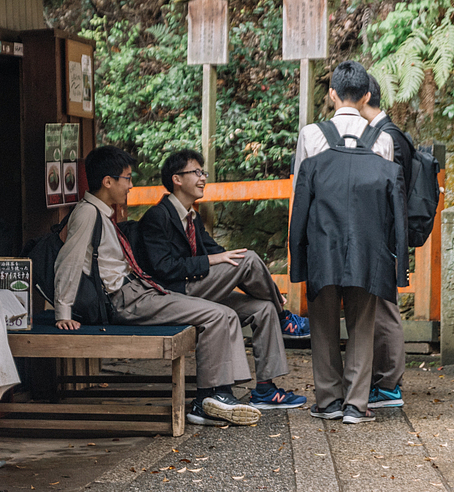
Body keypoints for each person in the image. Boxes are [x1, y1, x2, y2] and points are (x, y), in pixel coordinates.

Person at [53, 145, 262, 427]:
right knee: (217, 314)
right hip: (125, 299)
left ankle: (218, 394)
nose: (130, 185)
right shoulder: (88, 213)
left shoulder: (102, 212)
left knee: (222, 313)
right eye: (127, 178)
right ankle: (208, 399)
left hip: (140, 290)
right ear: (108, 181)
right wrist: (62, 312)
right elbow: (68, 261)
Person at [138, 148, 308, 409]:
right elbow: (163, 269)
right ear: (177, 179)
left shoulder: (191, 217)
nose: (203, 177)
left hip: (196, 287)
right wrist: (210, 261)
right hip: (174, 294)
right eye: (196, 172)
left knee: (263, 308)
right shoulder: (157, 217)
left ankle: (265, 389)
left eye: (202, 172)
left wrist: (263, 287)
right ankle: (285, 317)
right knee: (248, 258)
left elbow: (220, 253)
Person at [290, 61, 406, 425]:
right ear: (367, 95)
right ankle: (356, 404)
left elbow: (300, 195)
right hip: (368, 246)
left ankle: (328, 400)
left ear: (331, 94)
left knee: (323, 324)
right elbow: (390, 205)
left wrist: (298, 253)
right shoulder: (382, 140)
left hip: (322, 242)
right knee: (362, 323)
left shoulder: (311, 135)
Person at [360, 76, 409, 411]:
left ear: (364, 99)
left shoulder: (387, 136)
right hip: (387, 231)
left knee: (384, 308)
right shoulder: (390, 132)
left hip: (385, 232)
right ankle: (387, 380)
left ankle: (388, 384)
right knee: (380, 306)